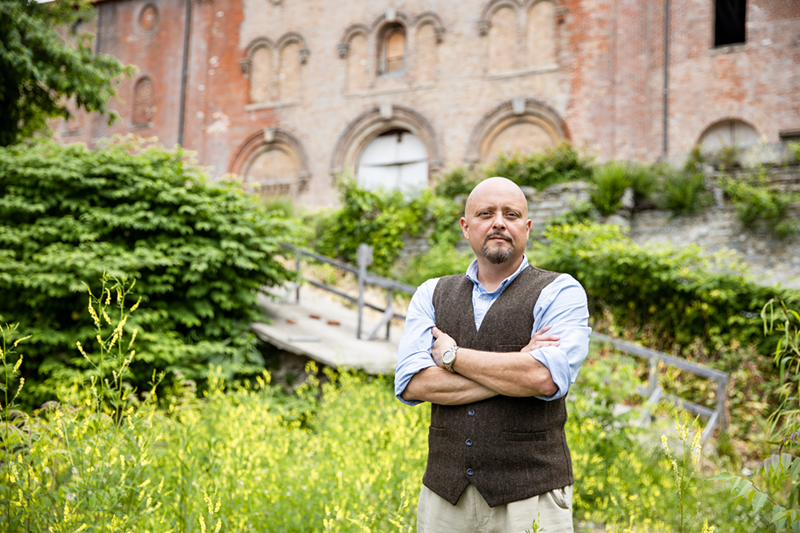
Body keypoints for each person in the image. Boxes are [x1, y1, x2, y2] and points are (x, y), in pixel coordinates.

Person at [395, 177, 591, 533]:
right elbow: (412, 384)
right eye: (485, 213)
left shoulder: (561, 291)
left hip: (531, 496)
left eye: (511, 214)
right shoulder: (430, 293)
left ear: (526, 228)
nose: (499, 222)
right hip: (444, 497)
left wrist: (451, 357)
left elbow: (544, 379)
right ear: (466, 228)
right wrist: (516, 366)